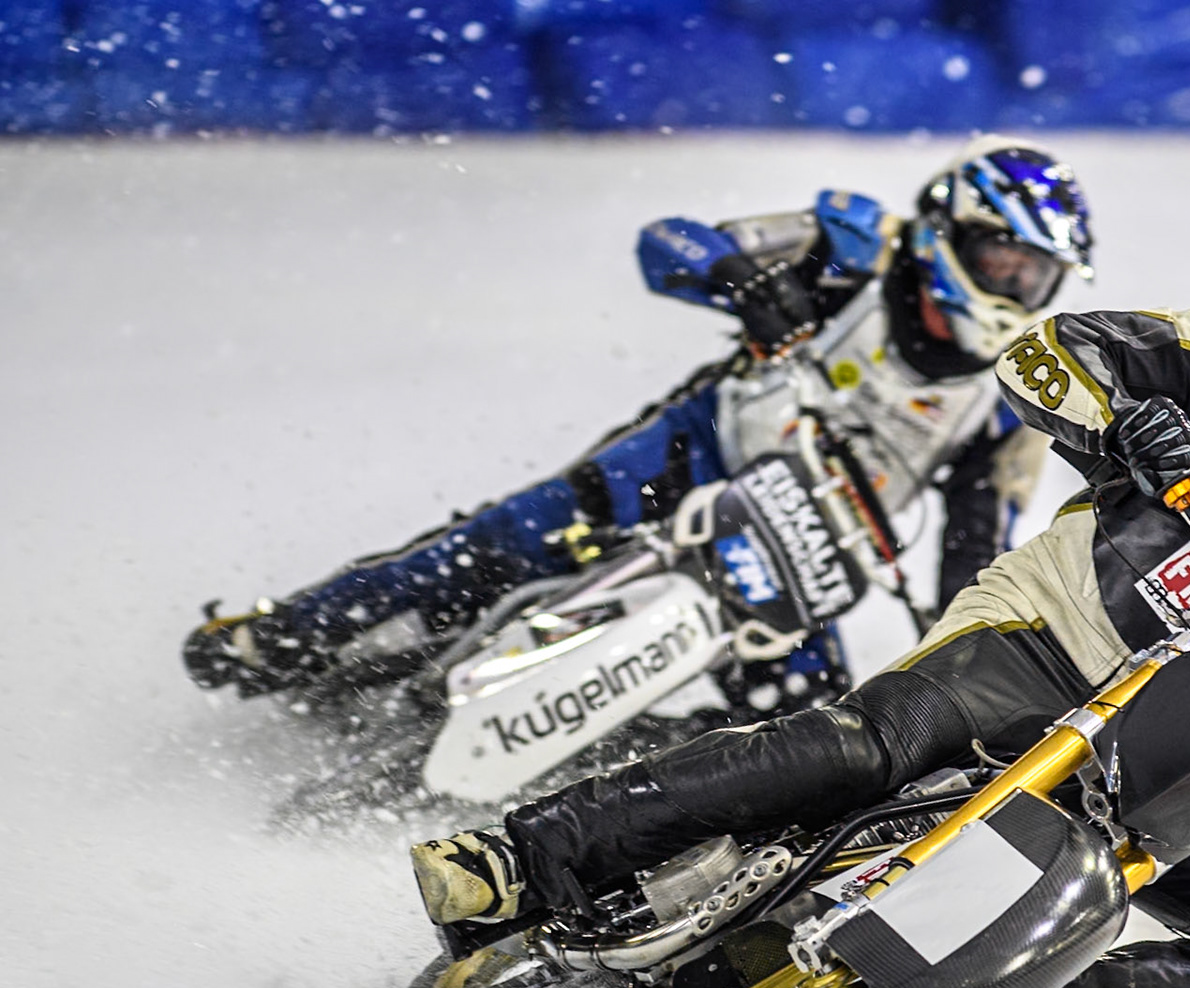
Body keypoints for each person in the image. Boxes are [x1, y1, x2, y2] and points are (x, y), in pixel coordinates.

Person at [410, 241, 1190, 988]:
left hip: (1147, 798)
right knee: (870, 745)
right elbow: (1045, 356)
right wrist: (1122, 426)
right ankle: (527, 859)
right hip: (1045, 642)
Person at [181, 135, 1094, 708]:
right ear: (950, 231)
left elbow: (972, 561)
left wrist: (959, 669)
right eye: (1003, 259)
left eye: (1035, 276)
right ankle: (288, 631)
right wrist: (745, 282)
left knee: (787, 729)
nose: (1014, 287)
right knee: (501, 542)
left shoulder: (1011, 402)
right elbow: (673, 242)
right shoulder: (857, 243)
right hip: (686, 457)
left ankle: (599, 786)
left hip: (807, 558)